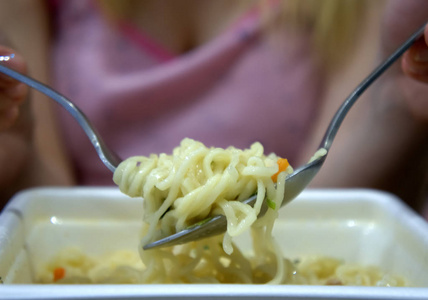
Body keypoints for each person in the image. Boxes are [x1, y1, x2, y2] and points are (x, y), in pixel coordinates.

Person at [0, 0, 427, 218]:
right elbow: (48, 206)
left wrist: (402, 105)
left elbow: (322, 207)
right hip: (83, 262)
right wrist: (17, 153)